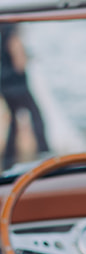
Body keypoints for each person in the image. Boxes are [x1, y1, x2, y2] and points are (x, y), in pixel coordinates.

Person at [1, 23, 50, 171]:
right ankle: (44, 152)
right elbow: (19, 62)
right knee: (36, 116)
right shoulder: (11, 33)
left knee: (14, 122)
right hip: (17, 84)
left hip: (4, 83)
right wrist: (29, 57)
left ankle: (8, 160)